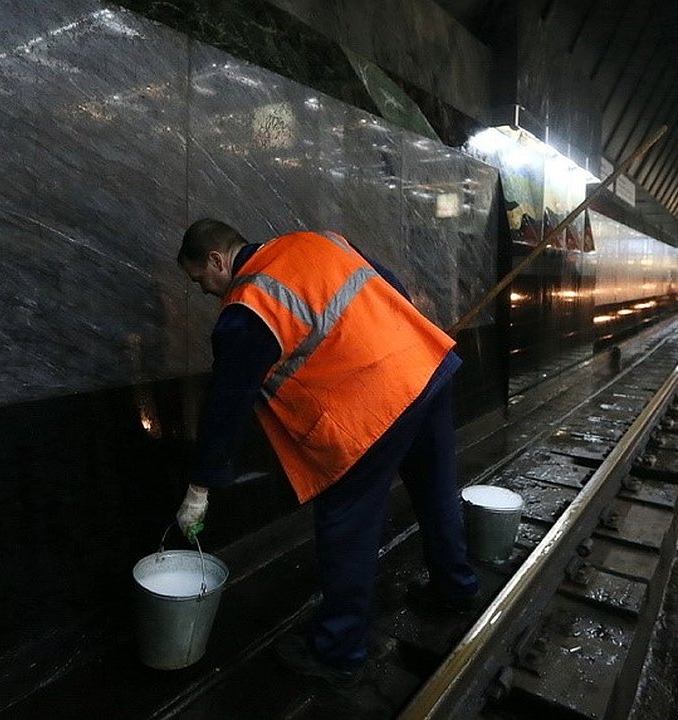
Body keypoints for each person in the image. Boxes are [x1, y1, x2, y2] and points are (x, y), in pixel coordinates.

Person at [174, 218, 479, 687]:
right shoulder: (317, 241)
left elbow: (227, 404)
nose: (205, 292)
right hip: (423, 365)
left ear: (217, 260)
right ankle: (456, 590)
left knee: (346, 524)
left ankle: (338, 652)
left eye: (201, 280)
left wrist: (200, 486)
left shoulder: (247, 307)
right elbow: (389, 286)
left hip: (370, 408)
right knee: (437, 493)